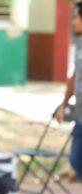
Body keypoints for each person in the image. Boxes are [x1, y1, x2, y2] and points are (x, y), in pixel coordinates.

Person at [56, 2, 82, 179]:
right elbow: (74, 76)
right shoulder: (79, 43)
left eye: (75, 17)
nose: (73, 22)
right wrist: (64, 104)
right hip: (80, 112)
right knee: (75, 164)